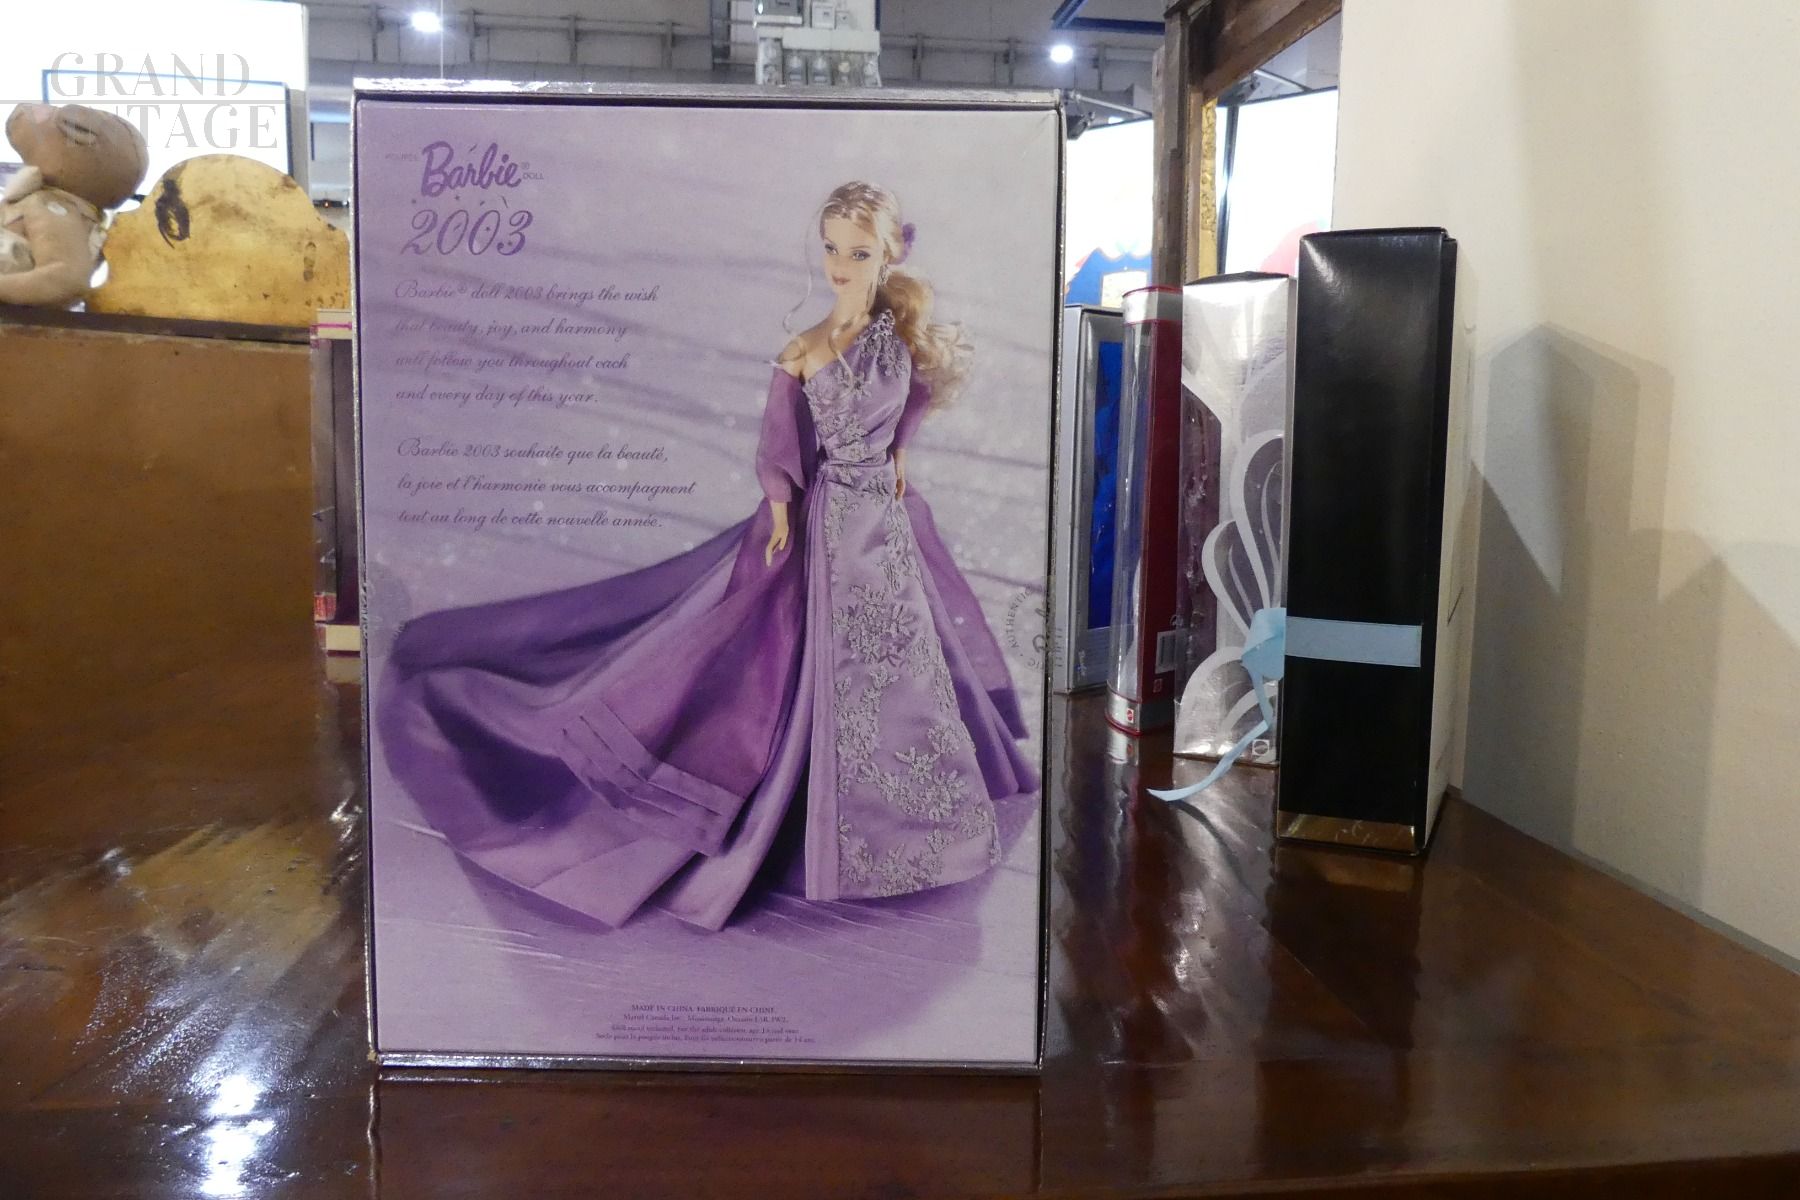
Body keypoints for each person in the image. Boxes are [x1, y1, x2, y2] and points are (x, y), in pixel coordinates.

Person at [378, 181, 1038, 933]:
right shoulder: (804, 350)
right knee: (816, 667)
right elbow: (778, 444)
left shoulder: (896, 344)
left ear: (888, 255)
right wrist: (782, 510)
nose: (839, 265)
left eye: (857, 253)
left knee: (902, 666)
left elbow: (905, 420)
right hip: (825, 523)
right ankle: (806, 819)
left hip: (880, 526)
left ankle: (917, 822)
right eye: (831, 249)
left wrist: (897, 474)